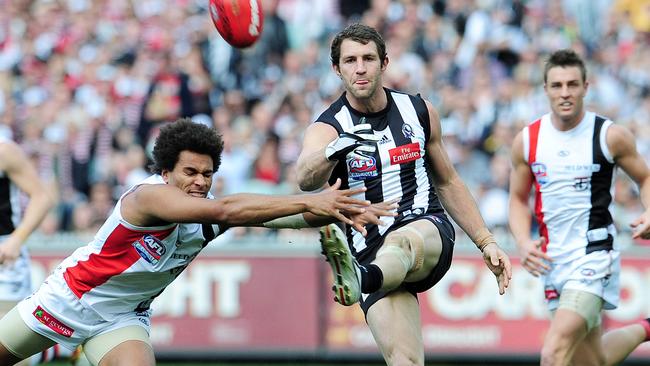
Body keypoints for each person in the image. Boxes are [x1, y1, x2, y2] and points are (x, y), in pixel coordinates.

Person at [0, 118, 392, 366]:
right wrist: (309, 198)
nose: (200, 182)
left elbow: (280, 217)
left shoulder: (202, 211)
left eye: (207, 174)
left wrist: (335, 210)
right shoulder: (147, 198)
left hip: (121, 318)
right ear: (166, 171)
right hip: (70, 299)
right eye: (190, 172)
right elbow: (227, 212)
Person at [295, 23, 512, 366]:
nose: (360, 68)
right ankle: (367, 274)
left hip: (425, 231)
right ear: (337, 69)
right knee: (405, 361)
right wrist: (334, 149)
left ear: (385, 63)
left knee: (402, 242)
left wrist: (486, 241)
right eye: (350, 61)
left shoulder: (419, 111)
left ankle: (362, 278)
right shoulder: (328, 126)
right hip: (368, 249)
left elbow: (449, 182)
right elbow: (305, 178)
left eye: (368, 58)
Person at [508, 49, 650, 366]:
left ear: (586, 86)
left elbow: (646, 178)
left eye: (572, 84)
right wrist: (522, 241)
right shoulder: (528, 140)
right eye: (557, 85)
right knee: (591, 359)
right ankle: (647, 328)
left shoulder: (609, 136)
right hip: (553, 260)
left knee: (553, 352)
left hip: (594, 254)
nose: (565, 93)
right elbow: (517, 199)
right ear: (545, 90)